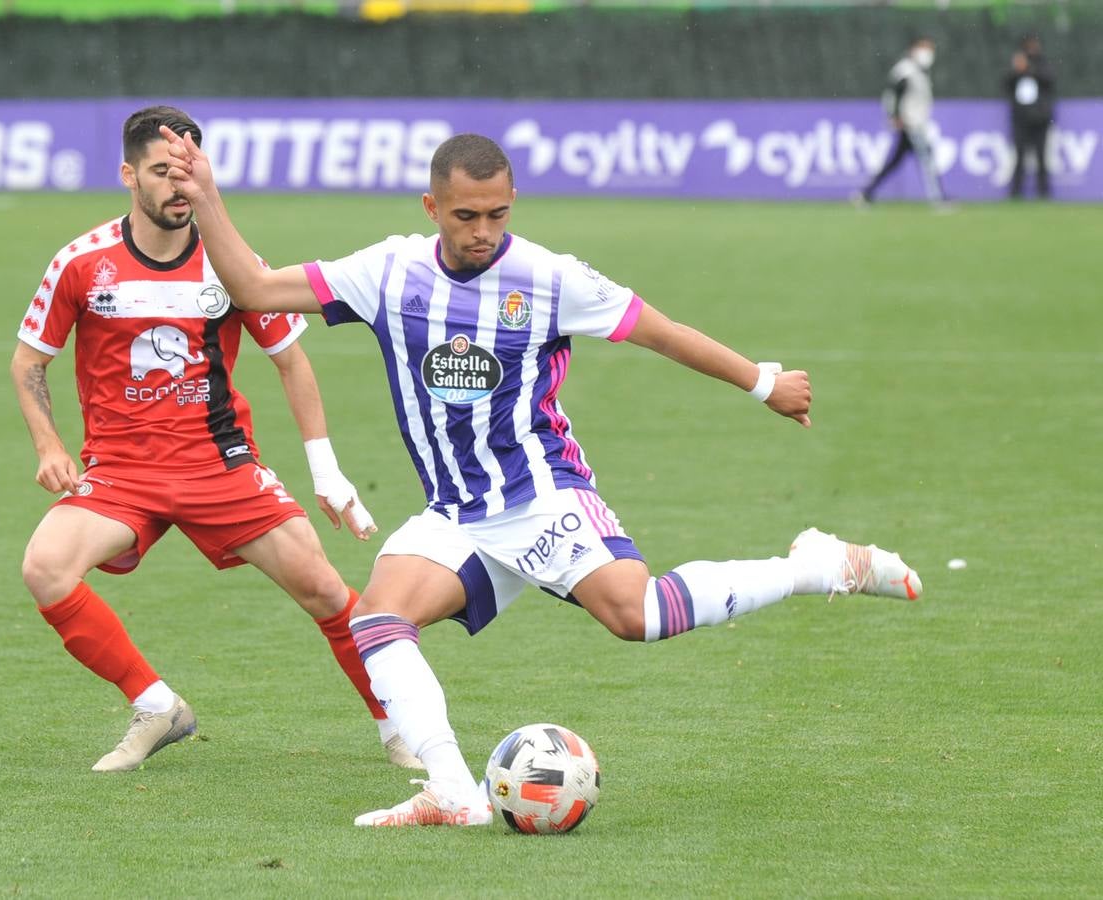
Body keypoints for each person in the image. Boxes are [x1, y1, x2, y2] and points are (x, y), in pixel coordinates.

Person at [162, 127, 926, 826]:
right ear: (433, 207)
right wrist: (207, 201)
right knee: (376, 621)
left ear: (512, 203)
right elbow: (258, 292)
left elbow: (659, 332)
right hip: (457, 511)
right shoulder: (386, 272)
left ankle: (815, 565)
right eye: (466, 216)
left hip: (540, 494)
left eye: (496, 214)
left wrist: (761, 383)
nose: (484, 232)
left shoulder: (549, 278)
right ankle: (452, 792)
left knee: (638, 617)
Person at [12, 106, 421, 773]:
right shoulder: (82, 264)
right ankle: (155, 706)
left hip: (220, 467)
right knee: (45, 567)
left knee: (323, 587)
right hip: (121, 472)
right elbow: (30, 360)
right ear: (128, 175)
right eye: (162, 172)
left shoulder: (233, 267)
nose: (179, 187)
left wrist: (327, 470)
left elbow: (291, 359)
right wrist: (50, 447)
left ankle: (398, 724)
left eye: (190, 172)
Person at [855, 36, 948, 209]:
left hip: (915, 122)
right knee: (927, 159)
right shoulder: (906, 70)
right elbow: (893, 94)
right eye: (924, 48)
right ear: (913, 49)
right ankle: (938, 199)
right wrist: (894, 116)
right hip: (909, 122)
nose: (928, 53)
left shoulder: (919, 71)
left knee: (894, 161)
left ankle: (865, 193)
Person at [1005, 34, 1055, 199]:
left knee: (1041, 156)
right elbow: (1006, 83)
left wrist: (1030, 69)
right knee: (1019, 155)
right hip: (1021, 118)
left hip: (1040, 117)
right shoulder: (1016, 65)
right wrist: (1018, 69)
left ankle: (1043, 192)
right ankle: (1016, 192)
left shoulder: (1042, 63)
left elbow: (1049, 80)